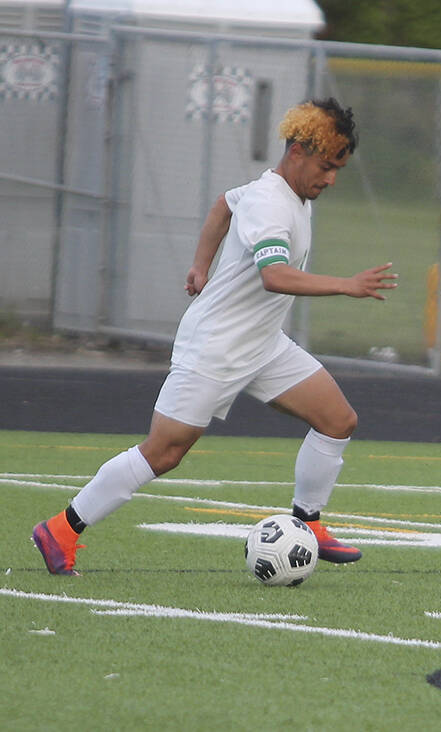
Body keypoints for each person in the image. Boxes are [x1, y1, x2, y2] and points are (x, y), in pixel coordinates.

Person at [32, 98, 399, 576]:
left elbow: (223, 204)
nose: (330, 179)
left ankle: (308, 522)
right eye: (327, 167)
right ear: (298, 152)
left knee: (337, 419)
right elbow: (276, 276)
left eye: (337, 170)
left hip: (262, 343)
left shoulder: (278, 192)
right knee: (164, 452)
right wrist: (347, 285)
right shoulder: (271, 203)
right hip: (216, 347)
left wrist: (200, 264)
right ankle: (61, 529)